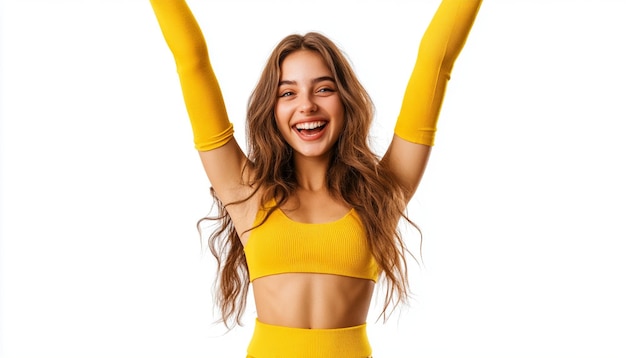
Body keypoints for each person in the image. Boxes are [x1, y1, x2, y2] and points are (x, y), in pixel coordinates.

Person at [149, 0, 481, 356]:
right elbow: (191, 61)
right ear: (272, 110)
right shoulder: (245, 192)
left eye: (324, 89)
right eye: (287, 93)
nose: (306, 105)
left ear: (346, 101)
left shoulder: (380, 196)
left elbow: (435, 62)